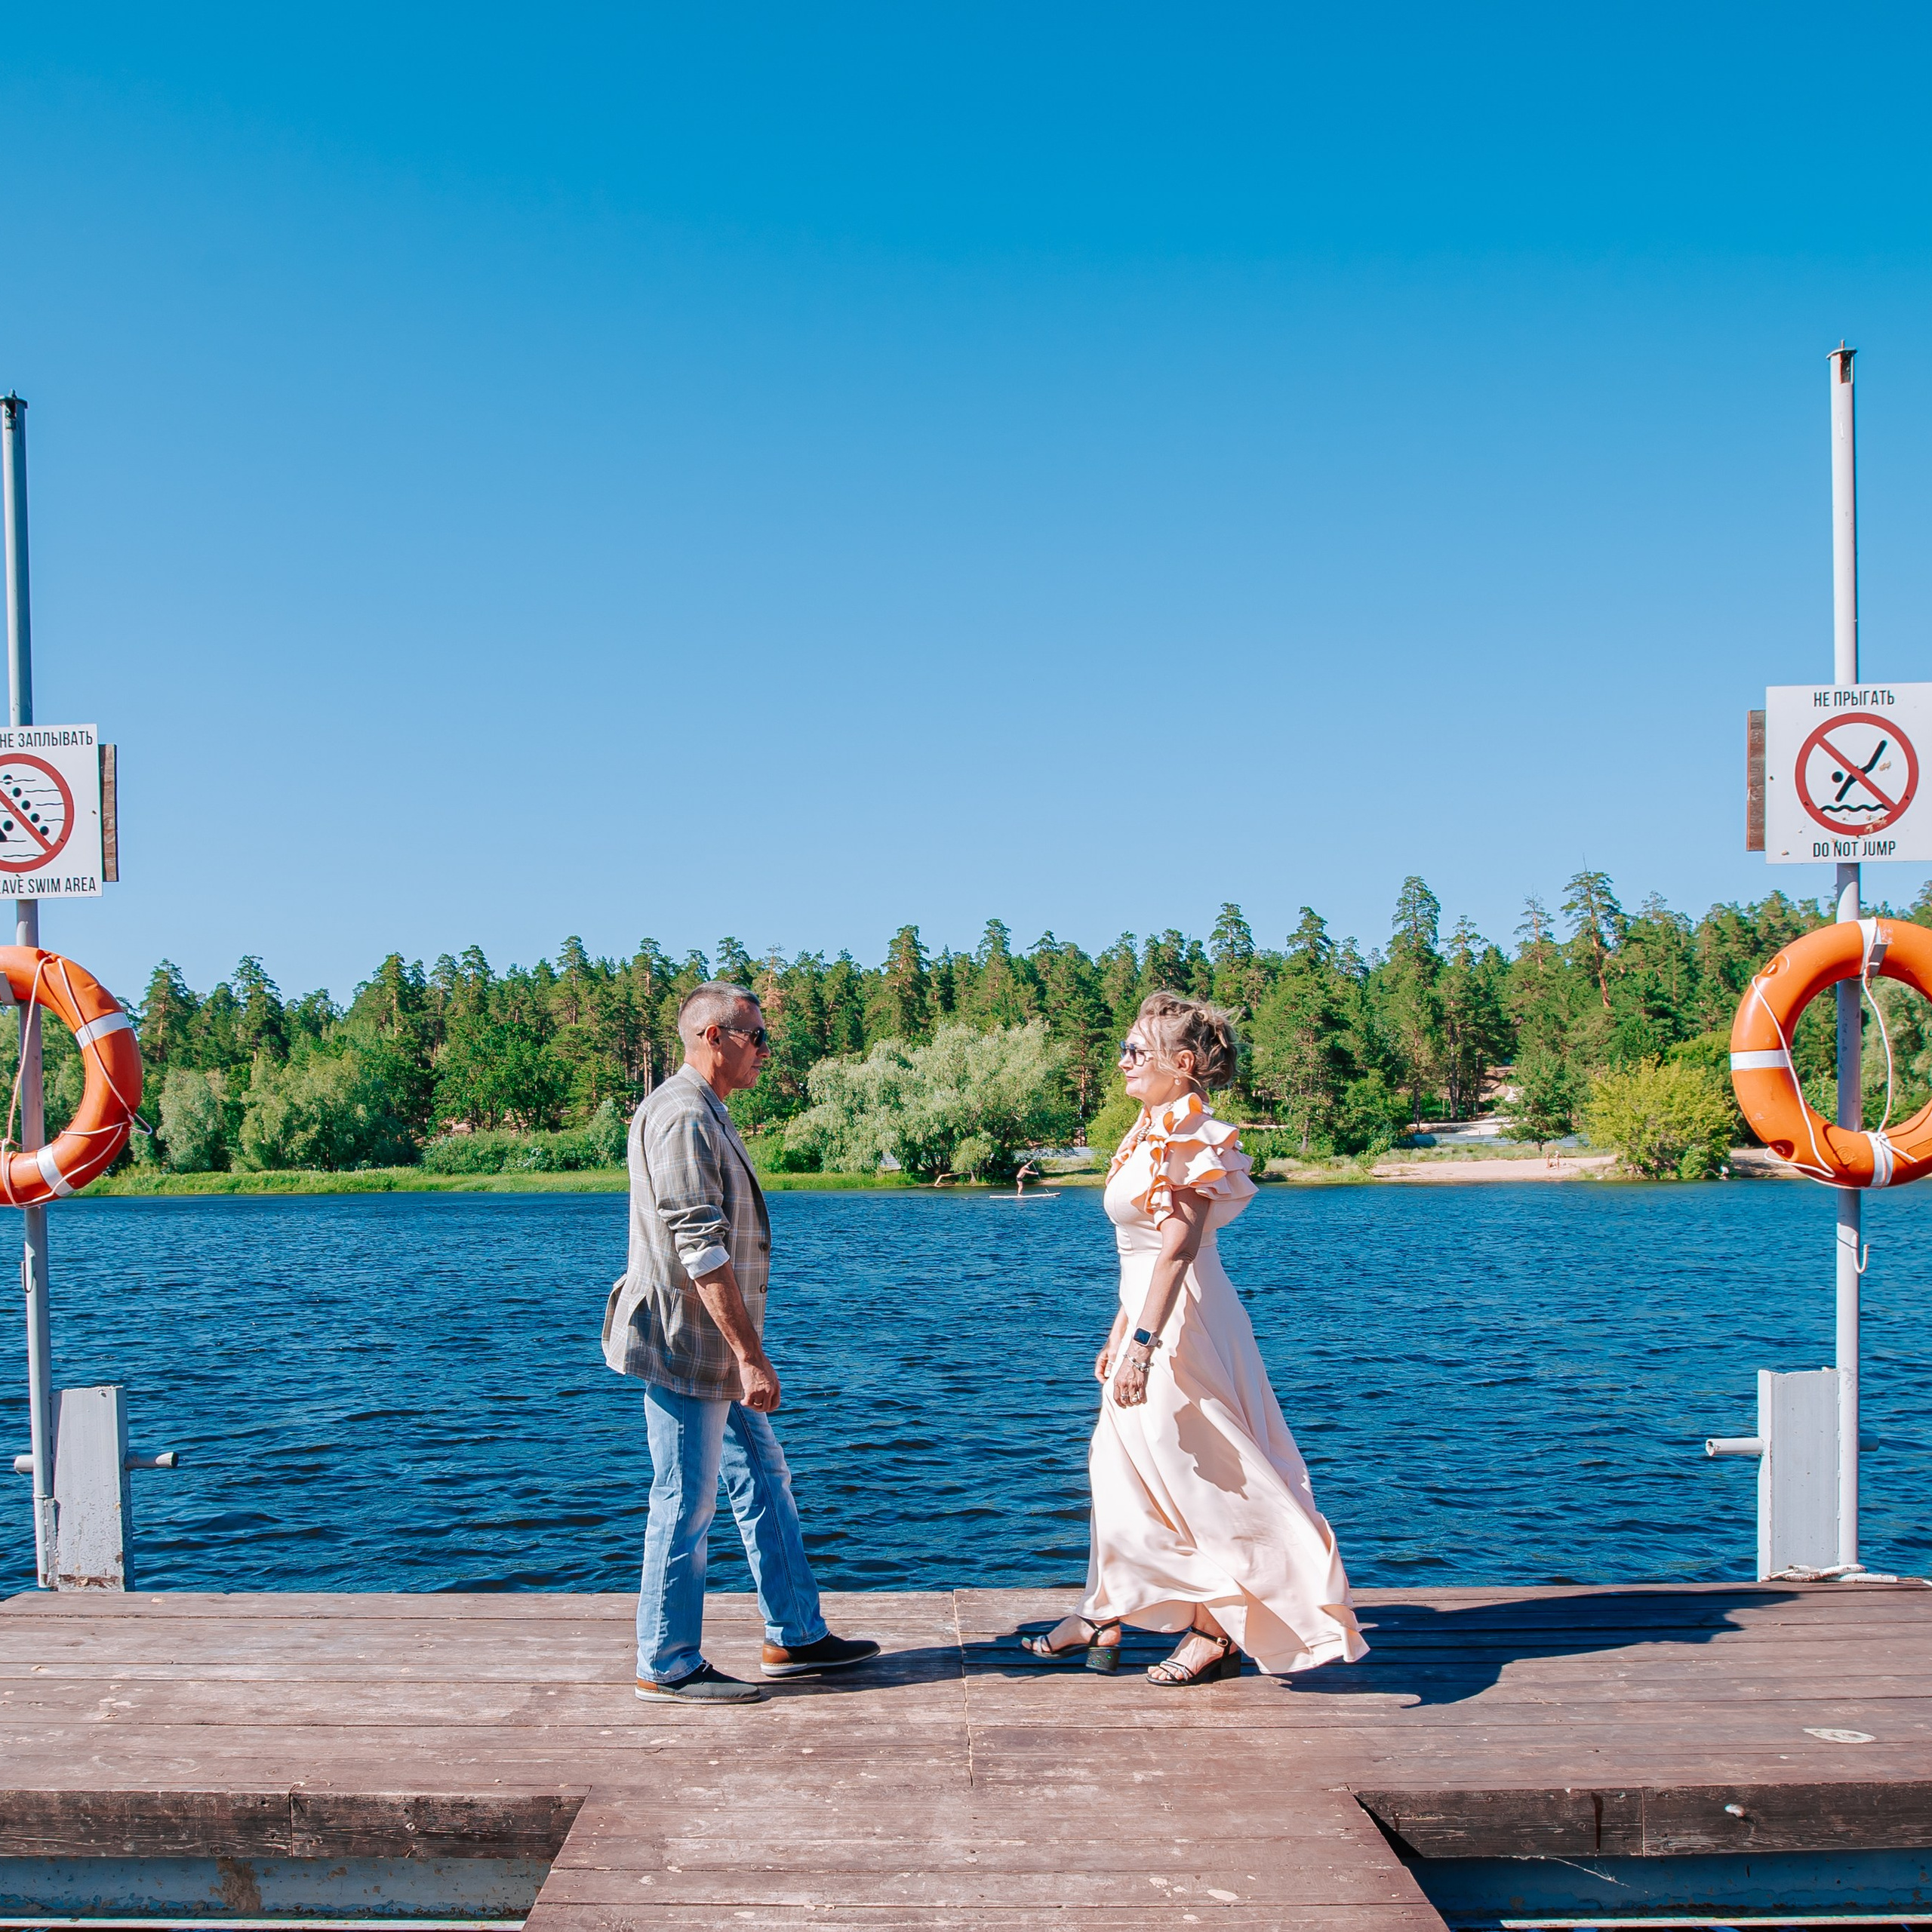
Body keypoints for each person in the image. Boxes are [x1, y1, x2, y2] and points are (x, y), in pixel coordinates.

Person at [1020, 992, 1367, 1685]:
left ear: (1182, 1065)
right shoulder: (1148, 1127)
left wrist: (1144, 1345)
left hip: (1185, 1324)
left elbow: (1178, 1250)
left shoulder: (1190, 1134)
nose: (1121, 1061)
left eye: (1135, 1053)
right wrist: (1120, 1330)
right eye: (1122, 1048)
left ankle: (1215, 1632)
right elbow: (1139, 1248)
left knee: (1203, 1472)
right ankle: (1104, 1611)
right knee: (1117, 1468)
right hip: (1148, 1316)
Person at [604, 980, 880, 1703]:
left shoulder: (705, 1110)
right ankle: (665, 1662)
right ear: (711, 1037)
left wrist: (746, 1352)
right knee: (685, 1500)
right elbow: (699, 1246)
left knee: (763, 1478)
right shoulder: (681, 1115)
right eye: (755, 1036)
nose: (765, 1050)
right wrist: (750, 1355)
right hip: (688, 1345)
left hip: (717, 1347)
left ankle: (796, 1636)